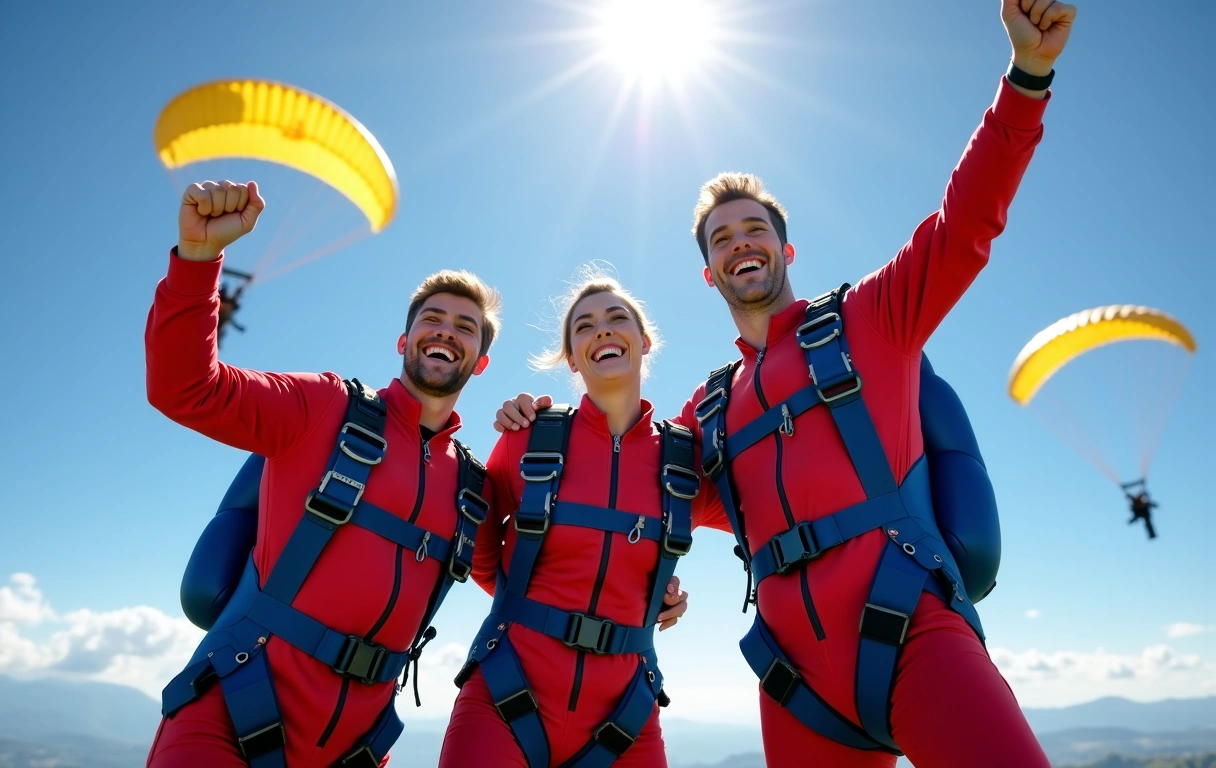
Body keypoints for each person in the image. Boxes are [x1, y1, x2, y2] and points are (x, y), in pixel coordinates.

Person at [495, 2, 1075, 764]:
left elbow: (964, 222)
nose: (741, 244)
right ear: (708, 272)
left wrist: (1027, 77)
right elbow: (625, 481)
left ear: (785, 245)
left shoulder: (873, 319)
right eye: (723, 238)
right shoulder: (704, 413)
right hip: (795, 680)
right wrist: (541, 425)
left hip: (916, 632)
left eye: (754, 229)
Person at [144, 178, 503, 767]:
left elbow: (527, 579)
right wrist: (198, 260)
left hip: (355, 747)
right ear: (403, 341)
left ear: (480, 361)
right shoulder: (320, 408)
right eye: (432, 318)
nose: (446, 330)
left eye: (465, 326)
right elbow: (184, 388)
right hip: (228, 716)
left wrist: (651, 596)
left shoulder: (473, 488)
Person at [440, 270, 729, 767]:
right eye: (584, 326)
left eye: (618, 318)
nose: (603, 330)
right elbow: (481, 551)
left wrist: (650, 592)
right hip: (504, 699)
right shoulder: (527, 438)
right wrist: (544, 605)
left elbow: (769, 519)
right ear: (572, 357)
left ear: (645, 340)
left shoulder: (685, 460)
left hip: (625, 720)